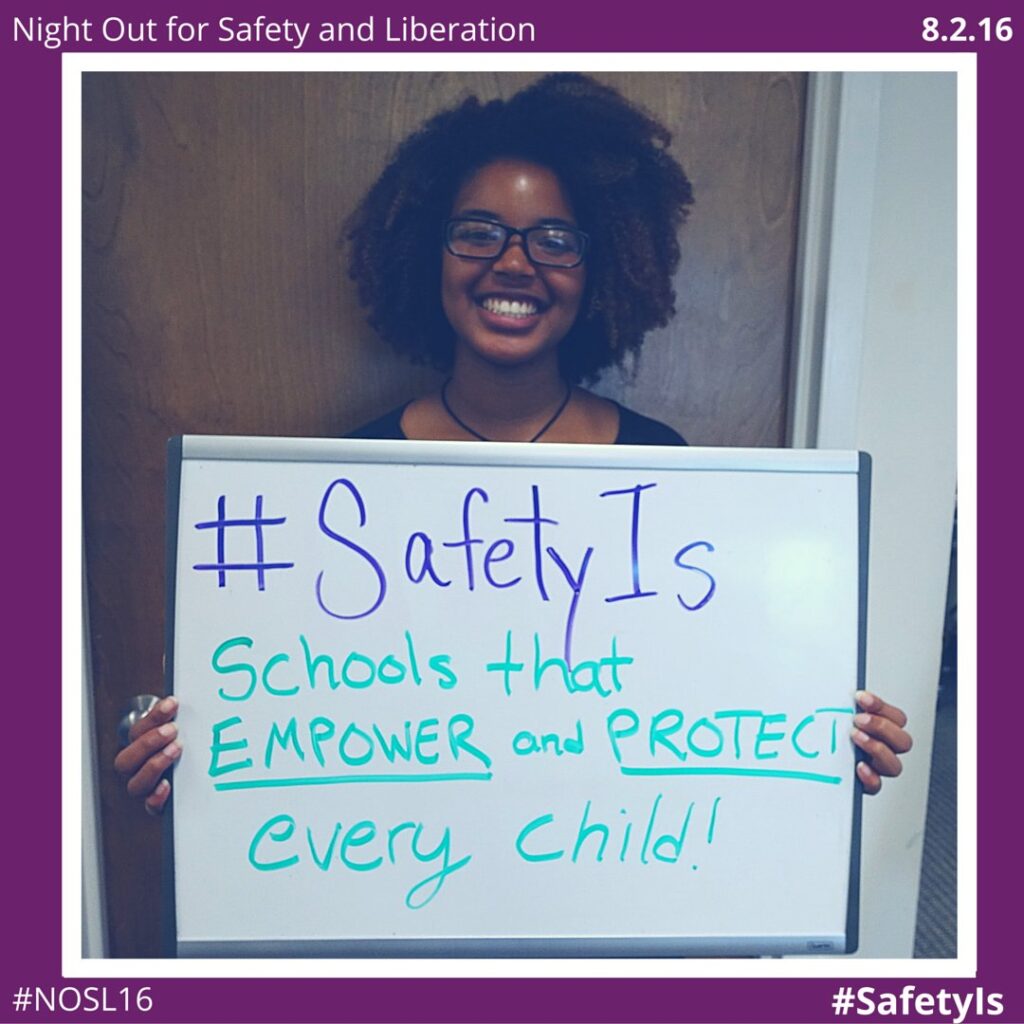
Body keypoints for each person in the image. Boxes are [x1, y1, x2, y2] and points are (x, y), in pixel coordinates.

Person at [115, 73, 911, 813]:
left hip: (617, 868)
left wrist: (825, 735)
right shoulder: (343, 486)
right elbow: (290, 712)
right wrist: (186, 748)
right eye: (479, 232)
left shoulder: (666, 469)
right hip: (396, 880)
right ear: (429, 252)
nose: (515, 263)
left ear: (600, 268)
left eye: (555, 239)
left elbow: (728, 687)